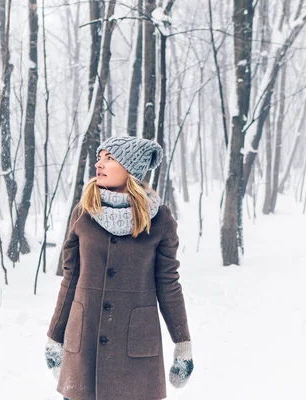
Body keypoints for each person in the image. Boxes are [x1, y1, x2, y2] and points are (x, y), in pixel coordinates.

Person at [45, 136, 194, 400]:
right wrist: (54, 336)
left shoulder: (160, 220)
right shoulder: (83, 213)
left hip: (135, 349)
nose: (98, 164)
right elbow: (70, 277)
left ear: (131, 169)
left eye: (109, 158)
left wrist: (182, 345)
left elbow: (169, 284)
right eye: (99, 157)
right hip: (84, 345)